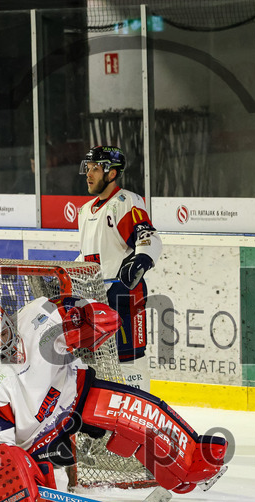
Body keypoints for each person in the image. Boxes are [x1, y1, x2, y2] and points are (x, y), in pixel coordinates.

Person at [0, 297, 227, 502]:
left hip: (73, 395)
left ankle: (190, 462)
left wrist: (90, 313)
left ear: (10, 321)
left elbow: (76, 304)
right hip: (37, 439)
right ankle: (45, 479)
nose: (5, 342)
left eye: (6, 332)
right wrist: (10, 470)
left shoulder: (37, 314)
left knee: (137, 411)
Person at [76, 145, 162, 392]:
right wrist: (67, 272)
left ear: (112, 174)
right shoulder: (84, 211)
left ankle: (140, 418)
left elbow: (148, 238)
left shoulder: (125, 202)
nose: (89, 174)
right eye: (88, 168)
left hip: (124, 296)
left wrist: (140, 261)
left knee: (130, 363)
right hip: (94, 300)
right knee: (94, 364)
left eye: (95, 168)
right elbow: (87, 255)